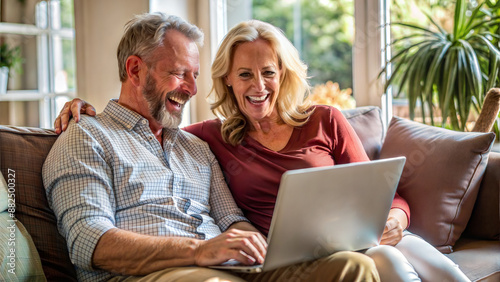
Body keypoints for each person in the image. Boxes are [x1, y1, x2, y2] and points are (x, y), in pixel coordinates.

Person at [54, 18, 471, 282]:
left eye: (194, 76)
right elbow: (89, 241)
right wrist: (202, 250)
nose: (191, 89)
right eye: (179, 73)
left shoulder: (193, 146)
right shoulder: (88, 136)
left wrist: (269, 254)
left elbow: (232, 219)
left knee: (359, 266)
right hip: (180, 271)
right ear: (134, 69)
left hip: (244, 264)